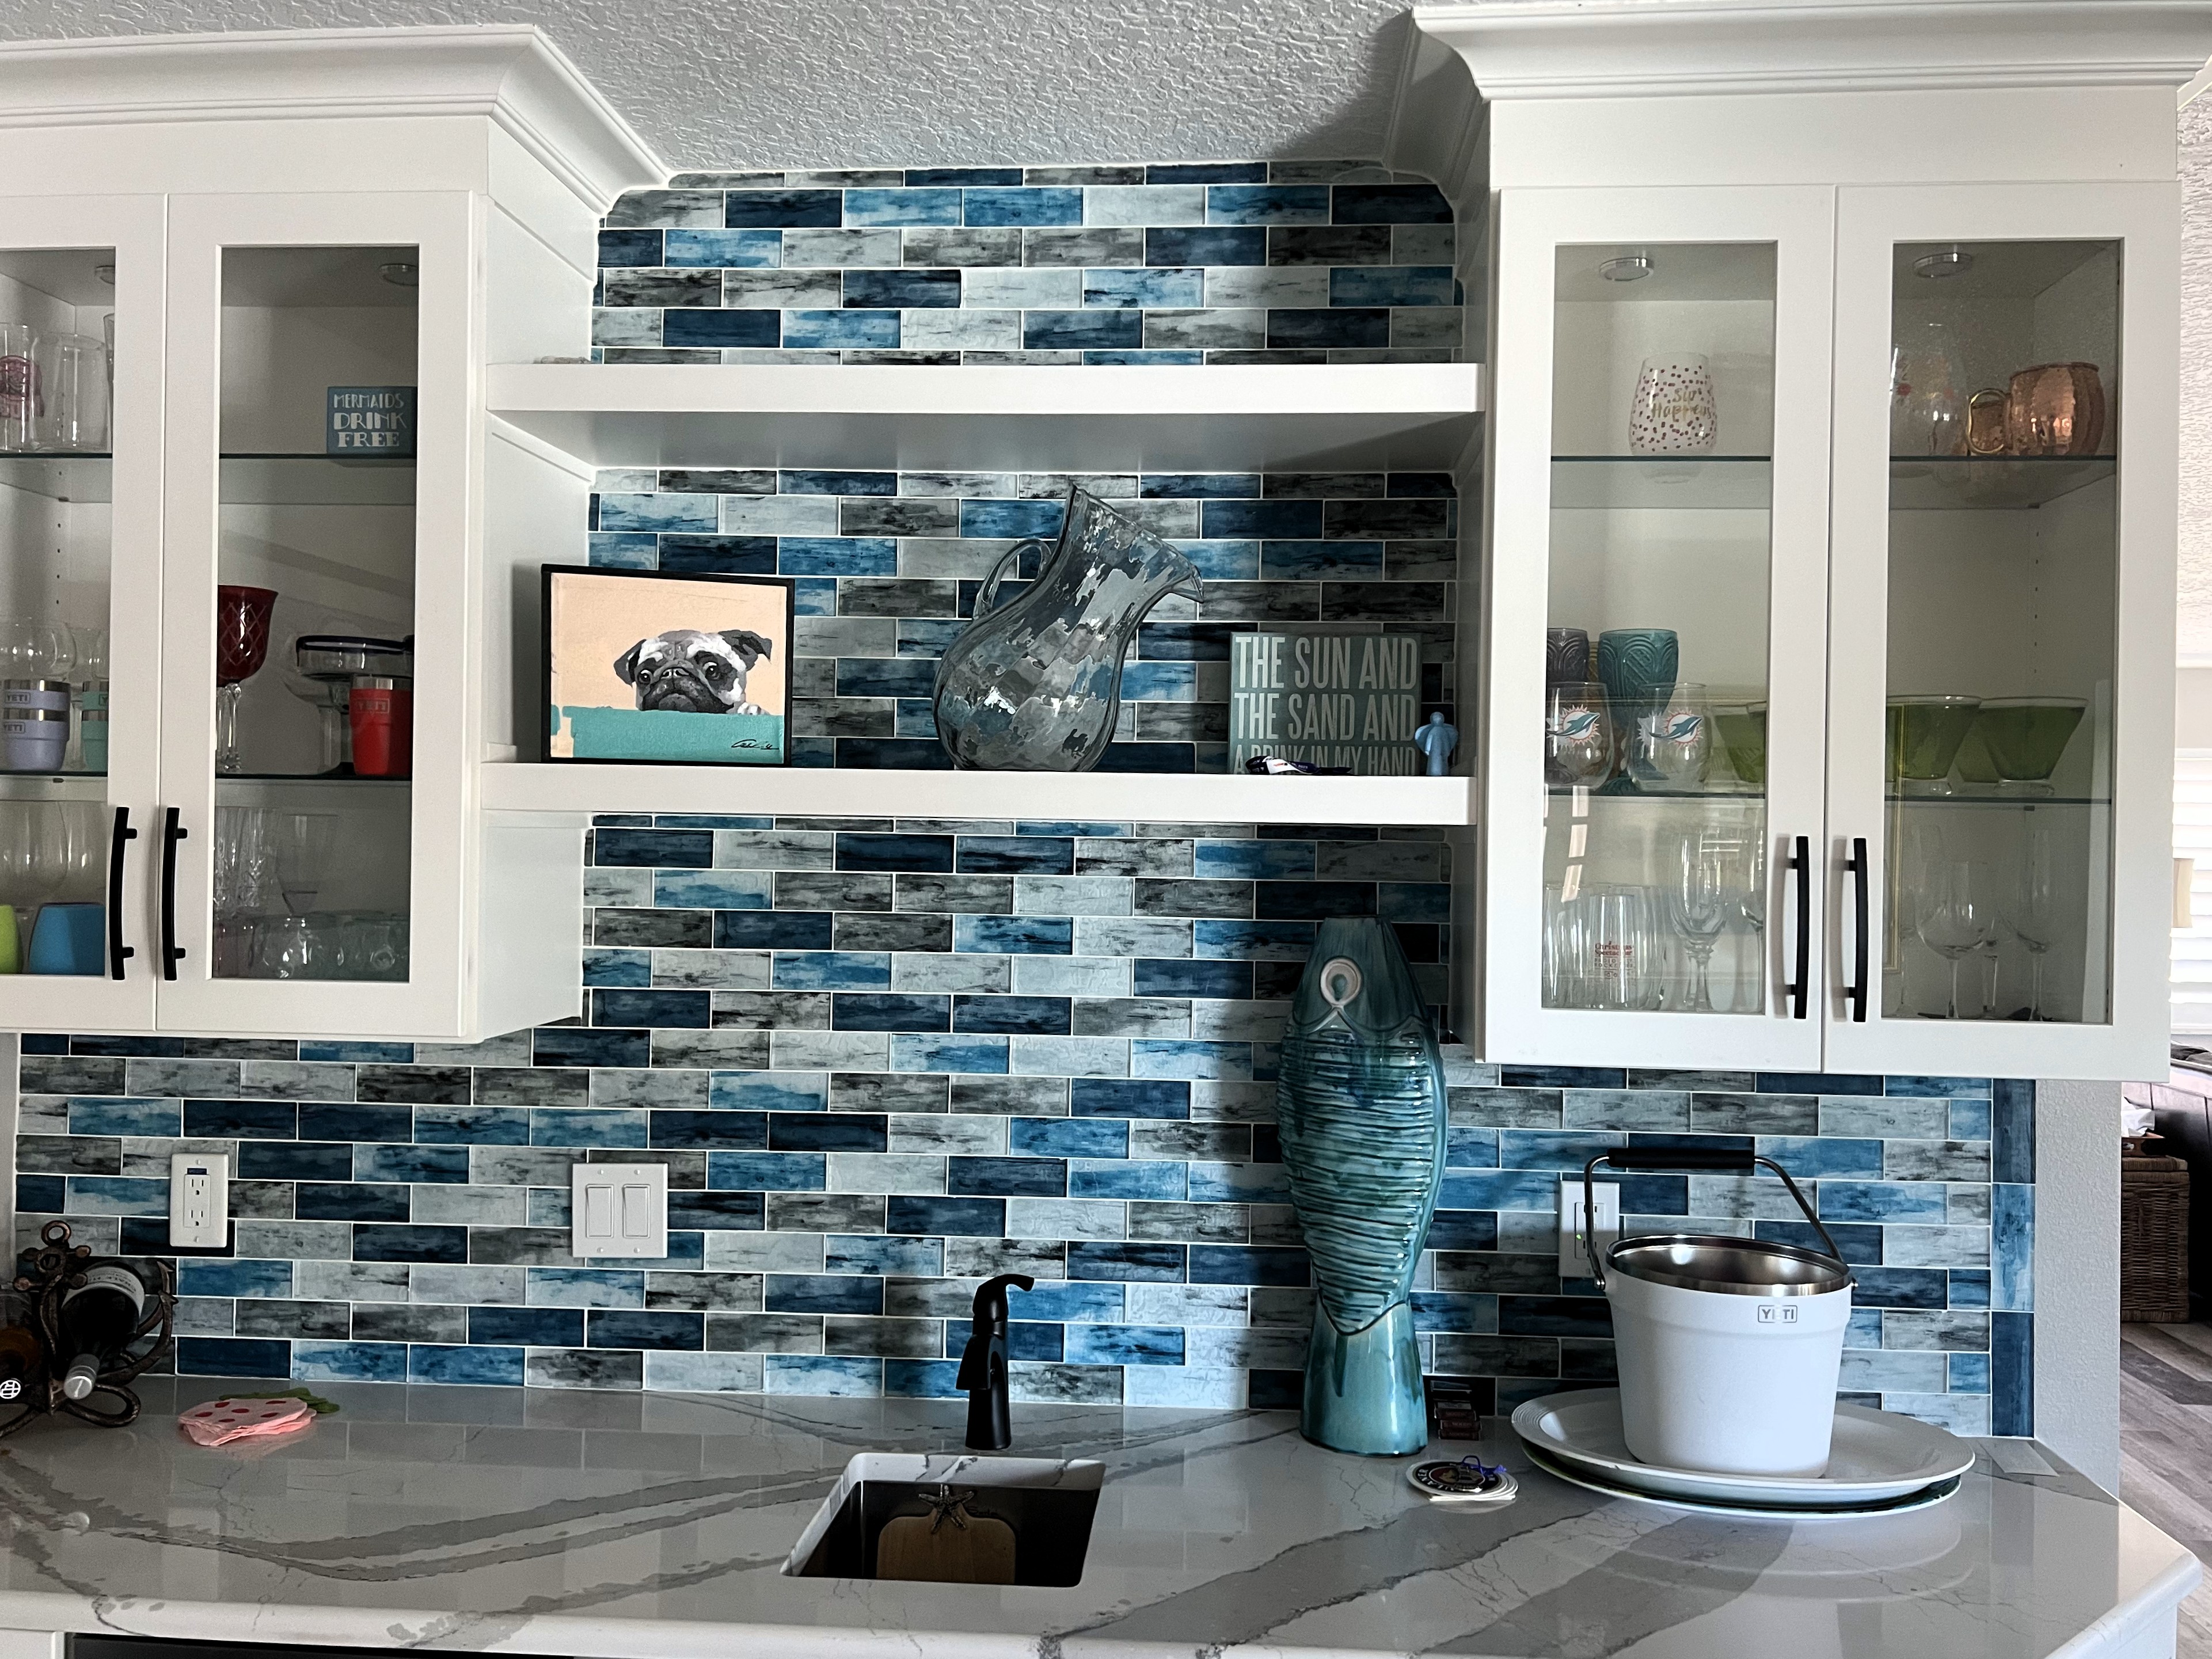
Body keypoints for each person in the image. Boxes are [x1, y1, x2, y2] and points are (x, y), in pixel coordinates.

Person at [1413, 710, 1457, 777]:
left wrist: (1427, 750)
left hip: (1434, 753)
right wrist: (1447, 751)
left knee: (1435, 765)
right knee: (1440, 765)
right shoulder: (1442, 731)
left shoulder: (1433, 731)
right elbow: (1446, 743)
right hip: (1439, 754)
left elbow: (1430, 742)